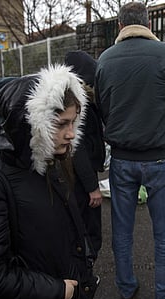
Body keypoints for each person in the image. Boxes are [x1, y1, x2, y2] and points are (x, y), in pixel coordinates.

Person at [0, 64, 99, 299]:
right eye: (61, 124)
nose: (71, 134)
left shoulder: (50, 165)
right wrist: (58, 292)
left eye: (74, 122)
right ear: (31, 124)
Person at [94, 2, 165, 299]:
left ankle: (127, 291)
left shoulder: (105, 60)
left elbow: (103, 110)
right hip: (160, 160)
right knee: (164, 234)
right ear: (148, 23)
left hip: (121, 160)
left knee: (121, 232)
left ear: (120, 25)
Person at [65, 51, 105, 258]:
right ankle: (86, 267)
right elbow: (77, 147)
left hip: (78, 173)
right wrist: (92, 187)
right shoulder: (76, 103)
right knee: (88, 226)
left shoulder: (74, 97)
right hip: (81, 176)